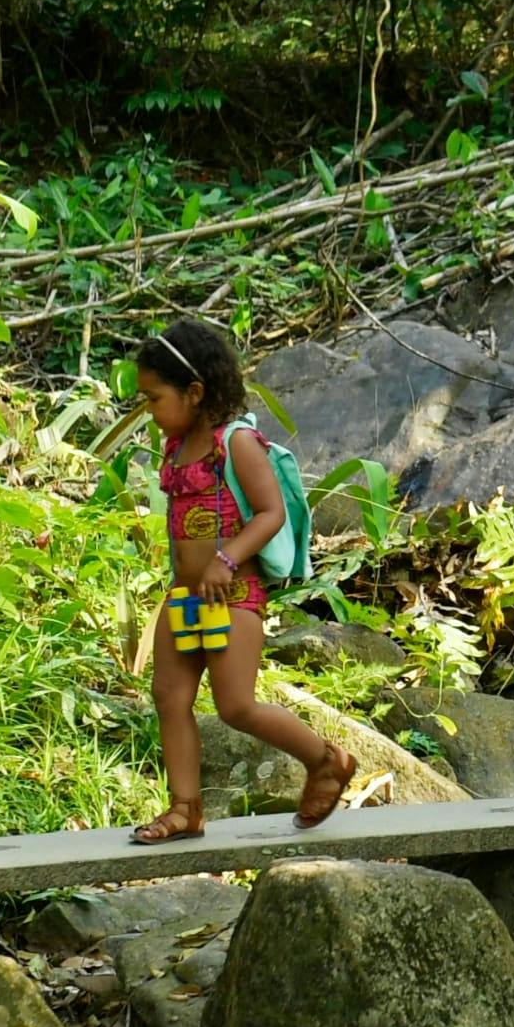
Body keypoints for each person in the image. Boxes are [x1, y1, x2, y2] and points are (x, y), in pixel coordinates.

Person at [125, 317, 351, 839]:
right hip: (186, 598)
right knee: (169, 696)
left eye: (155, 398)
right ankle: (185, 808)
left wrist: (225, 560)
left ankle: (325, 760)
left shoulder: (237, 443)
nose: (149, 411)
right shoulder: (176, 448)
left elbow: (269, 512)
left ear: (195, 392)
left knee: (236, 705)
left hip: (234, 595)